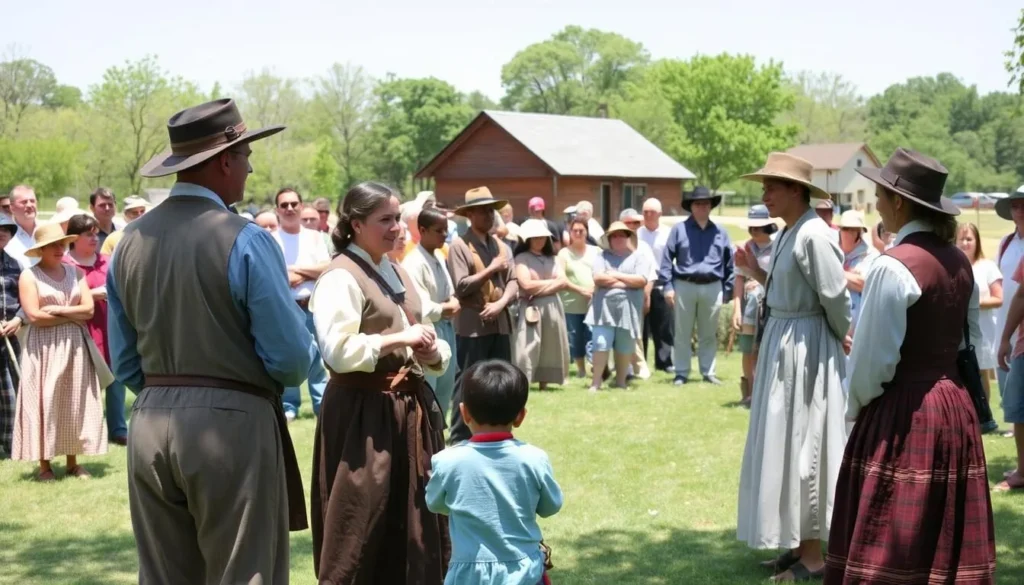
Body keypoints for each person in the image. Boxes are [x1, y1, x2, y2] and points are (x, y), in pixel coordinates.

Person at [108, 98, 315, 583]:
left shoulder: (128, 243)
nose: (249, 165)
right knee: (246, 573)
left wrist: (169, 390)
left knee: (165, 576)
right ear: (224, 160)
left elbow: (124, 362)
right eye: (245, 154)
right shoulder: (244, 237)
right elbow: (290, 360)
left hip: (150, 421)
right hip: (231, 424)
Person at [827, 148, 996, 584]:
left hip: (905, 410)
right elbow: (969, 342)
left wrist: (857, 411)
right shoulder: (960, 262)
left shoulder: (892, 266)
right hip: (953, 407)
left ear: (899, 202)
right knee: (941, 532)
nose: (877, 202)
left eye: (881, 194)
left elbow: (872, 360)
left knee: (891, 537)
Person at [310, 181, 451, 583]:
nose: (396, 228)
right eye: (384, 220)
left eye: (396, 219)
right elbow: (336, 350)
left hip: (406, 411)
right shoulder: (341, 276)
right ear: (355, 224)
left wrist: (431, 353)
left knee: (413, 525)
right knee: (361, 525)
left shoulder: (395, 269)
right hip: (362, 417)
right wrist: (397, 339)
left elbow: (425, 330)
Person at [734, 152, 850, 581]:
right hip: (786, 343)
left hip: (807, 350)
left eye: (771, 186)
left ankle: (815, 556)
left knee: (808, 442)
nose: (764, 193)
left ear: (796, 191)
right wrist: (753, 272)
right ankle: (801, 546)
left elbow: (834, 297)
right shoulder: (789, 233)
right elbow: (787, 290)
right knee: (786, 440)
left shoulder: (815, 234)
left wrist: (841, 335)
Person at [426, 359, 563, 585]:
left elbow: (435, 503)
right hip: (524, 572)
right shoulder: (534, 458)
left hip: (469, 575)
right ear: (520, 416)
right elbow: (551, 506)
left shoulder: (447, 461)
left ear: (464, 413)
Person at [12, 222, 109, 480]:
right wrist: (72, 315)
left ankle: (73, 462)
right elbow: (34, 316)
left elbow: (88, 310)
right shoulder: (29, 276)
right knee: (46, 399)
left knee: (74, 399)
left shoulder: (75, 273)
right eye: (52, 245)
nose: (59, 249)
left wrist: (59, 310)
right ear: (41, 249)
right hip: (43, 347)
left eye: (61, 244)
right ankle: (45, 466)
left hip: (75, 346)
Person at [447, 187, 519, 444]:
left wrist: (500, 303)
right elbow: (462, 285)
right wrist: (491, 269)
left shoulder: (500, 245)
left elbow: (513, 282)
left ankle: (498, 433)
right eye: (483, 211)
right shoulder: (459, 246)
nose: (490, 215)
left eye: (492, 210)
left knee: (502, 382)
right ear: (470, 215)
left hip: (500, 323)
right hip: (472, 326)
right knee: (468, 383)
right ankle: (459, 438)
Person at [63, 214, 127, 446]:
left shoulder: (107, 261)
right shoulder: (65, 264)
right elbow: (60, 298)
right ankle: (88, 431)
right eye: (88, 234)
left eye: (96, 233)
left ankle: (118, 428)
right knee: (85, 382)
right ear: (74, 238)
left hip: (110, 326)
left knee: (116, 378)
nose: (94, 238)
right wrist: (92, 294)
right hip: (80, 330)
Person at [661, 186, 734, 385]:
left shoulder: (721, 232)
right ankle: (682, 372)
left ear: (711, 207)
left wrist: (728, 290)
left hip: (713, 286)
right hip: (684, 285)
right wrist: (667, 287)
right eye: (698, 203)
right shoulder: (679, 230)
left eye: (706, 203)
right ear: (691, 207)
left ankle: (708, 372)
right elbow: (667, 260)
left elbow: (730, 263)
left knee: (708, 333)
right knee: (682, 332)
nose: (702, 207)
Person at [273, 187, 330, 421]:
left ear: (301, 205)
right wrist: (308, 272)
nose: (289, 209)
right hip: (287, 308)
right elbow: (274, 274)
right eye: (284, 205)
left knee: (319, 357)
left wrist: (295, 270)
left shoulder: (314, 237)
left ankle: (322, 405)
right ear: (277, 209)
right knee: (291, 357)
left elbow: (326, 267)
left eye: (294, 204)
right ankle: (289, 405)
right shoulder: (270, 239)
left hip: (314, 307)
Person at [401, 205, 461, 416]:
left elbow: (449, 293)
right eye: (438, 230)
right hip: (429, 331)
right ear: (422, 230)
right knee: (430, 391)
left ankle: (438, 441)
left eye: (446, 230)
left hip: (446, 328)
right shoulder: (414, 262)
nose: (444, 235)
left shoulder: (438, 257)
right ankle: (426, 443)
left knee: (445, 392)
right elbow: (420, 306)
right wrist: (447, 307)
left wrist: (451, 302)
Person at [586, 221, 653, 391]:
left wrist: (615, 275)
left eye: (621, 235)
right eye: (614, 235)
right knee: (601, 343)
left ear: (628, 237)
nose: (617, 238)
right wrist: (627, 282)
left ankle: (621, 381)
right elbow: (598, 278)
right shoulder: (602, 257)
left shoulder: (639, 257)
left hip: (629, 309)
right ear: (609, 239)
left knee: (625, 345)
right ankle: (596, 383)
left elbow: (641, 280)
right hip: (603, 309)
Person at [514, 219, 570, 389]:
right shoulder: (521, 258)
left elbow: (563, 281)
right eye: (535, 237)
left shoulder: (554, 258)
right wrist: (551, 284)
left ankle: (545, 382)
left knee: (551, 344)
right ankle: (524, 380)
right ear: (528, 239)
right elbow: (526, 285)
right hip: (531, 307)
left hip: (553, 307)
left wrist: (540, 285)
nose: (539, 240)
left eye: (542, 237)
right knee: (528, 343)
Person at [957, 223, 1003, 419]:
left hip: (982, 328)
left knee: (982, 371)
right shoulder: (953, 264)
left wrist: (974, 302)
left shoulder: (987, 266)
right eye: (962, 239)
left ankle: (983, 415)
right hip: (958, 329)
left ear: (977, 242)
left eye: (969, 239)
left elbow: (999, 298)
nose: (965, 243)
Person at [731, 204, 776, 407]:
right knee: (748, 349)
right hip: (749, 306)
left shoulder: (777, 246)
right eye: (751, 227)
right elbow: (739, 279)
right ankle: (748, 393)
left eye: (758, 227)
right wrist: (736, 309)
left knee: (764, 350)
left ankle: (763, 393)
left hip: (770, 307)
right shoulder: (745, 247)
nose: (754, 231)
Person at [557, 217, 599, 378]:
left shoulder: (596, 251)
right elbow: (561, 279)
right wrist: (581, 290)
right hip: (571, 304)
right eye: (575, 230)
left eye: (581, 230)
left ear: (587, 232)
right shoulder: (564, 253)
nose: (578, 233)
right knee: (575, 337)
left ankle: (593, 367)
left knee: (592, 335)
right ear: (570, 233)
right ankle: (581, 370)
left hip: (593, 303)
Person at [638, 197, 674, 373]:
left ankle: (664, 362)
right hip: (641, 283)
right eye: (645, 212)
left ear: (660, 214)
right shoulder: (637, 234)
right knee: (641, 325)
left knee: (663, 325)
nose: (648, 215)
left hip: (661, 282)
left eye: (651, 212)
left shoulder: (669, 233)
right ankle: (640, 362)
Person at [619, 208, 656, 380]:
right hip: (617, 297)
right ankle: (624, 367)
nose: (632, 226)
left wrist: (646, 296)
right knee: (620, 333)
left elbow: (651, 275)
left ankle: (639, 367)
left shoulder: (644, 247)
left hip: (638, 295)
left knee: (635, 332)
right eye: (629, 222)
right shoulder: (614, 245)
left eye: (636, 223)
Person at [994, 186, 1024, 399]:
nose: (1020, 211)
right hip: (1004, 323)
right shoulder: (1005, 243)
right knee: (1010, 399)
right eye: (1015, 206)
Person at [0, 217, 22, 458]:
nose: (2, 233)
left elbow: (26, 300)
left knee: (11, 391)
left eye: (6, 229)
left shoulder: (16, 265)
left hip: (9, 338)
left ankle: (11, 443)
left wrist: (19, 319)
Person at [837, 210, 878, 335]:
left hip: (858, 330)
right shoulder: (833, 250)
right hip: (834, 327)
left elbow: (863, 283)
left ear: (860, 232)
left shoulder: (871, 255)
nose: (848, 233)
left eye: (853, 229)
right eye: (845, 228)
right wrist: (849, 276)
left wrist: (833, 272)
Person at [5, 185, 40, 269]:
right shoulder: (5, 236)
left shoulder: (47, 231)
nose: (29, 205)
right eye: (24, 202)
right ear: (12, 208)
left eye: (32, 201)